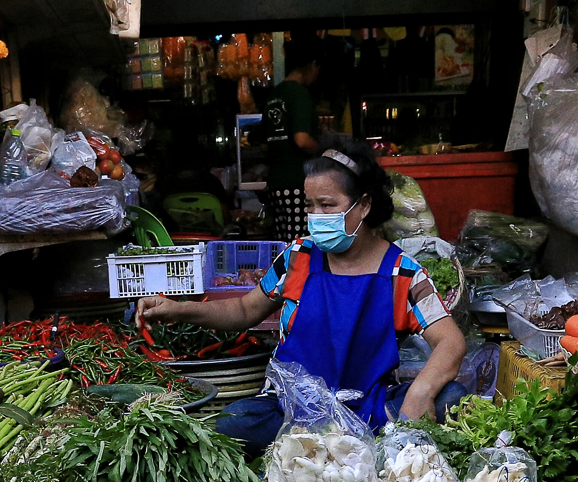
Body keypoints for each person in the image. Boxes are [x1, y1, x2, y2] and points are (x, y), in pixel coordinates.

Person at [136, 133, 469, 454]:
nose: (315, 217)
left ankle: (353, 444)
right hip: (294, 415)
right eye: (310, 206)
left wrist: (421, 392)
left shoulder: (402, 272)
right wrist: (178, 309)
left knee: (450, 395)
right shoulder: (299, 257)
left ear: (364, 205)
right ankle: (326, 446)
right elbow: (242, 311)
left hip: (368, 411)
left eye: (327, 205)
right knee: (232, 423)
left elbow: (451, 342)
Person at [260, 39, 322, 242]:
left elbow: (263, 143)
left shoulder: (273, 95)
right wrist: (324, 151)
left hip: (275, 184)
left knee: (283, 244)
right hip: (297, 183)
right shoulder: (299, 94)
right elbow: (302, 140)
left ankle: (285, 275)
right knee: (301, 245)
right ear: (312, 65)